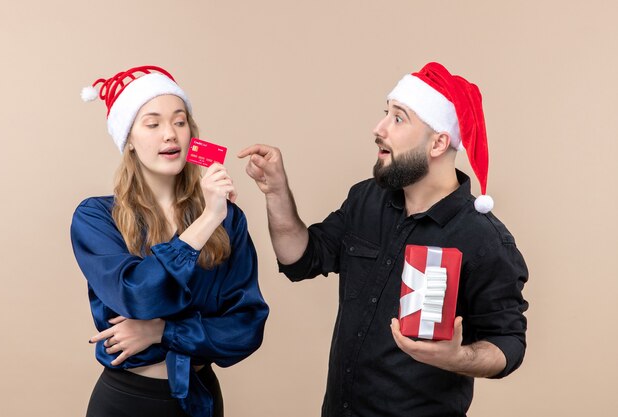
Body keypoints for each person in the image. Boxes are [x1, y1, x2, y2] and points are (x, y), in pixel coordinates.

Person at [238, 62, 528, 417]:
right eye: (385, 113)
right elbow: (301, 259)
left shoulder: (482, 238)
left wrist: (458, 357)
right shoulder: (366, 200)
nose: (379, 129)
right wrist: (276, 191)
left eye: (398, 118)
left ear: (438, 142)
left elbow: (508, 343)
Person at [71, 65, 268, 417]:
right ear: (128, 139)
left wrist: (162, 331)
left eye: (180, 122)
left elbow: (246, 328)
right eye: (153, 123)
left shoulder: (229, 218)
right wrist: (206, 220)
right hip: (127, 402)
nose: (170, 135)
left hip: (200, 399)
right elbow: (136, 294)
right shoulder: (96, 218)